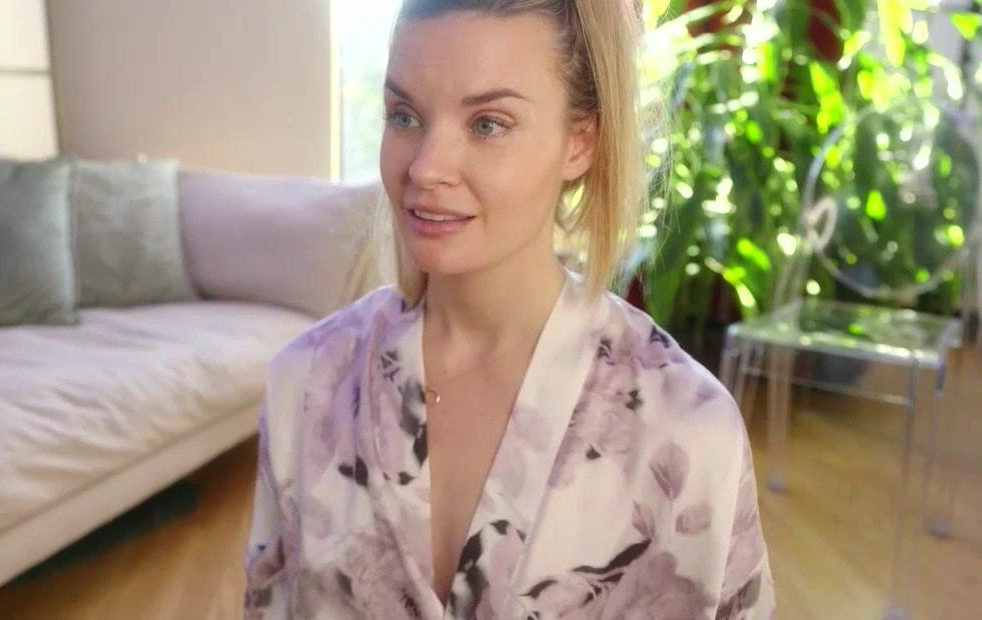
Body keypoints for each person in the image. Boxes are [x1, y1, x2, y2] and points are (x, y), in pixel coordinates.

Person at [244, 0, 775, 617]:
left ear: (579, 143)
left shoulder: (689, 431)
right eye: (404, 116)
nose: (425, 168)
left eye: (488, 125)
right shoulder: (307, 385)